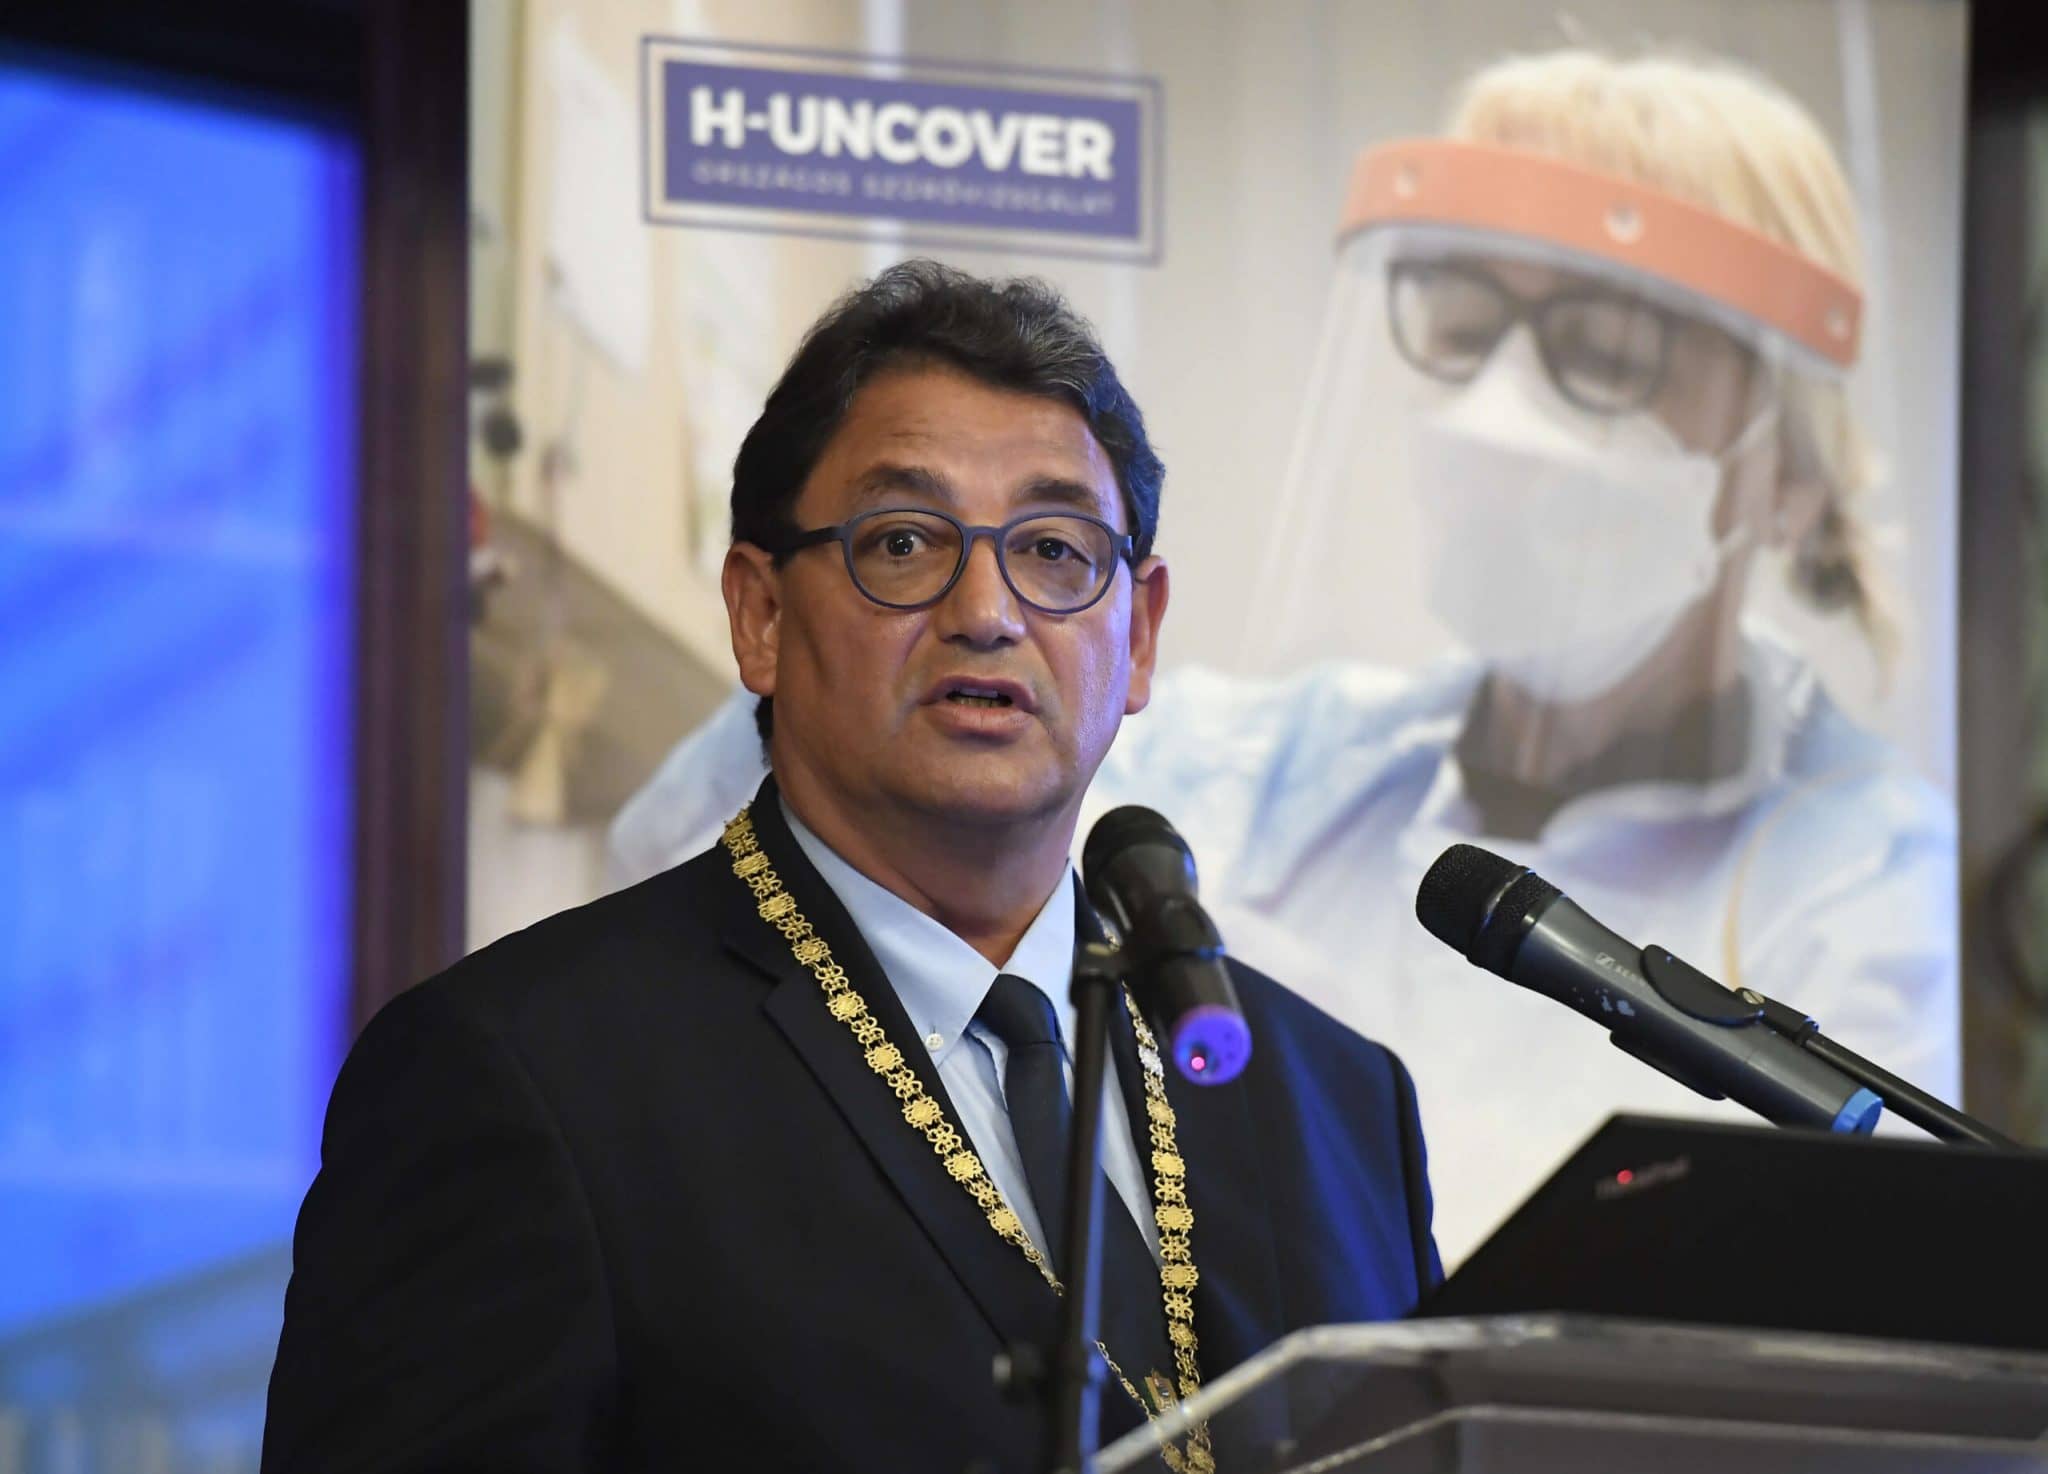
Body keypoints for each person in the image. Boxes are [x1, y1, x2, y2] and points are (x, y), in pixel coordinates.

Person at [607, 50, 1958, 1269]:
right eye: (1463, 326)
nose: (1499, 419)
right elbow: (696, 842)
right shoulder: (1290, 754)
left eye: (1606, 352)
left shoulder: (1857, 864)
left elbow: (1858, 1308)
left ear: (1789, 465)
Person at [261, 261, 1440, 1474]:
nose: (987, 611)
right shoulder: (524, 1077)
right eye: (903, 541)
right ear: (760, 615)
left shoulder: (1337, 1107)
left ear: (1136, 635)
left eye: (1052, 549)